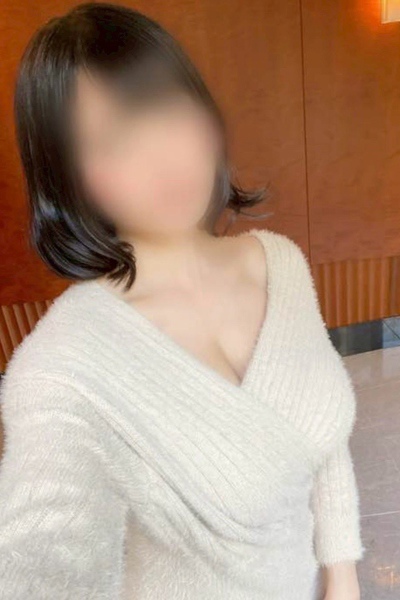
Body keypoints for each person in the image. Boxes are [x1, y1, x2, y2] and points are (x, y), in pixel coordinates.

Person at [0, 3, 365, 599]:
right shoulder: (60, 370)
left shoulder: (279, 262)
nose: (163, 159)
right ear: (67, 177)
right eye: (113, 141)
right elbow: (44, 555)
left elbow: (321, 441)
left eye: (168, 111)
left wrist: (342, 575)